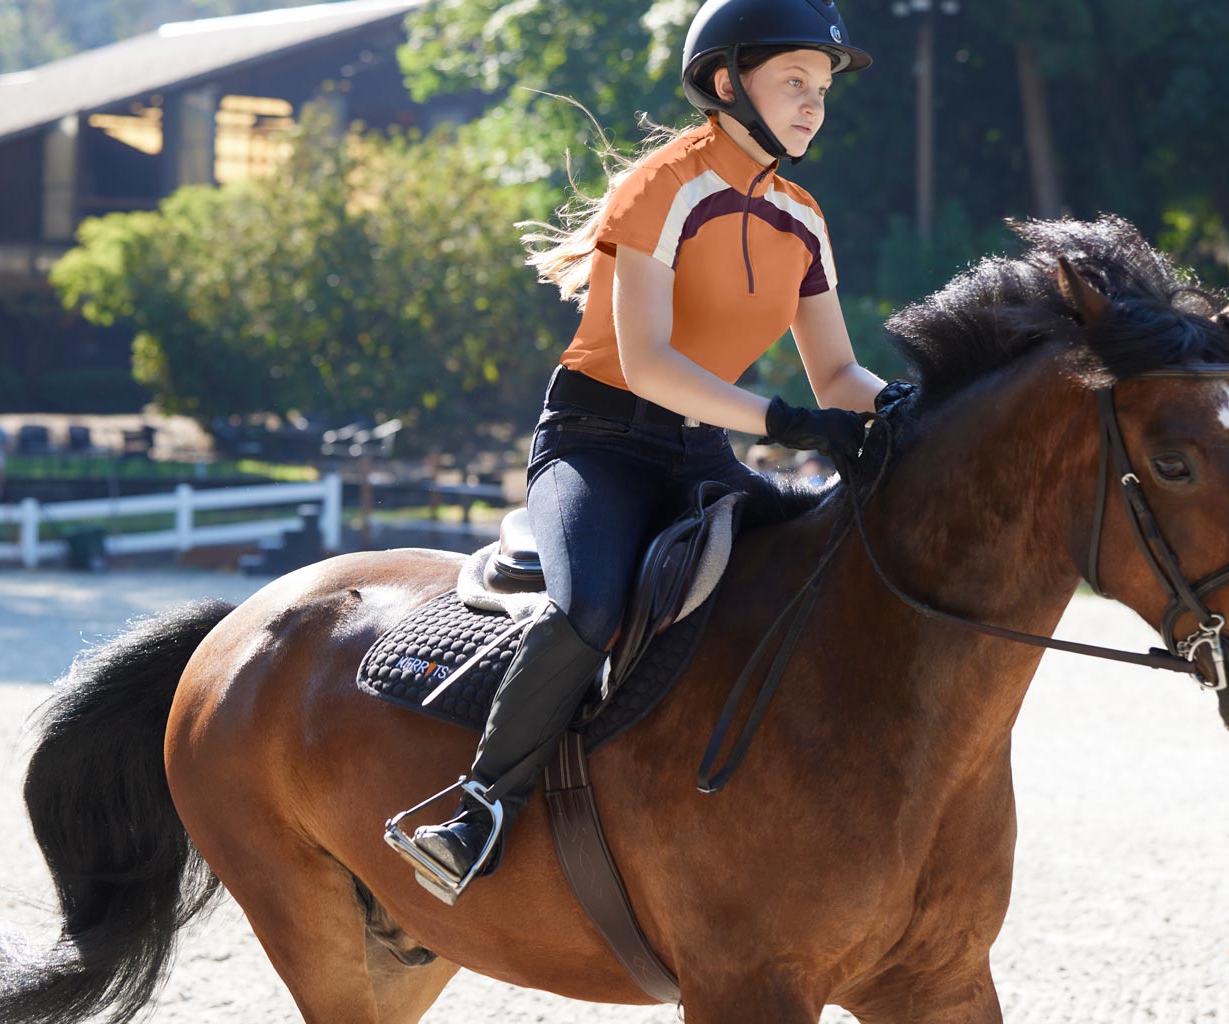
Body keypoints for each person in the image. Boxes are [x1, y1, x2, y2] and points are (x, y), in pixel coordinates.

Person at [388, 0, 918, 901]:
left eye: (822, 88)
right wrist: (784, 424)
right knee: (589, 606)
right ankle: (479, 806)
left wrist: (911, 405)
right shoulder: (662, 187)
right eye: (794, 81)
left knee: (820, 570)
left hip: (700, 454)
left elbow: (836, 374)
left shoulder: (803, 216)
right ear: (725, 83)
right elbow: (649, 364)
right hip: (599, 443)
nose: (813, 104)